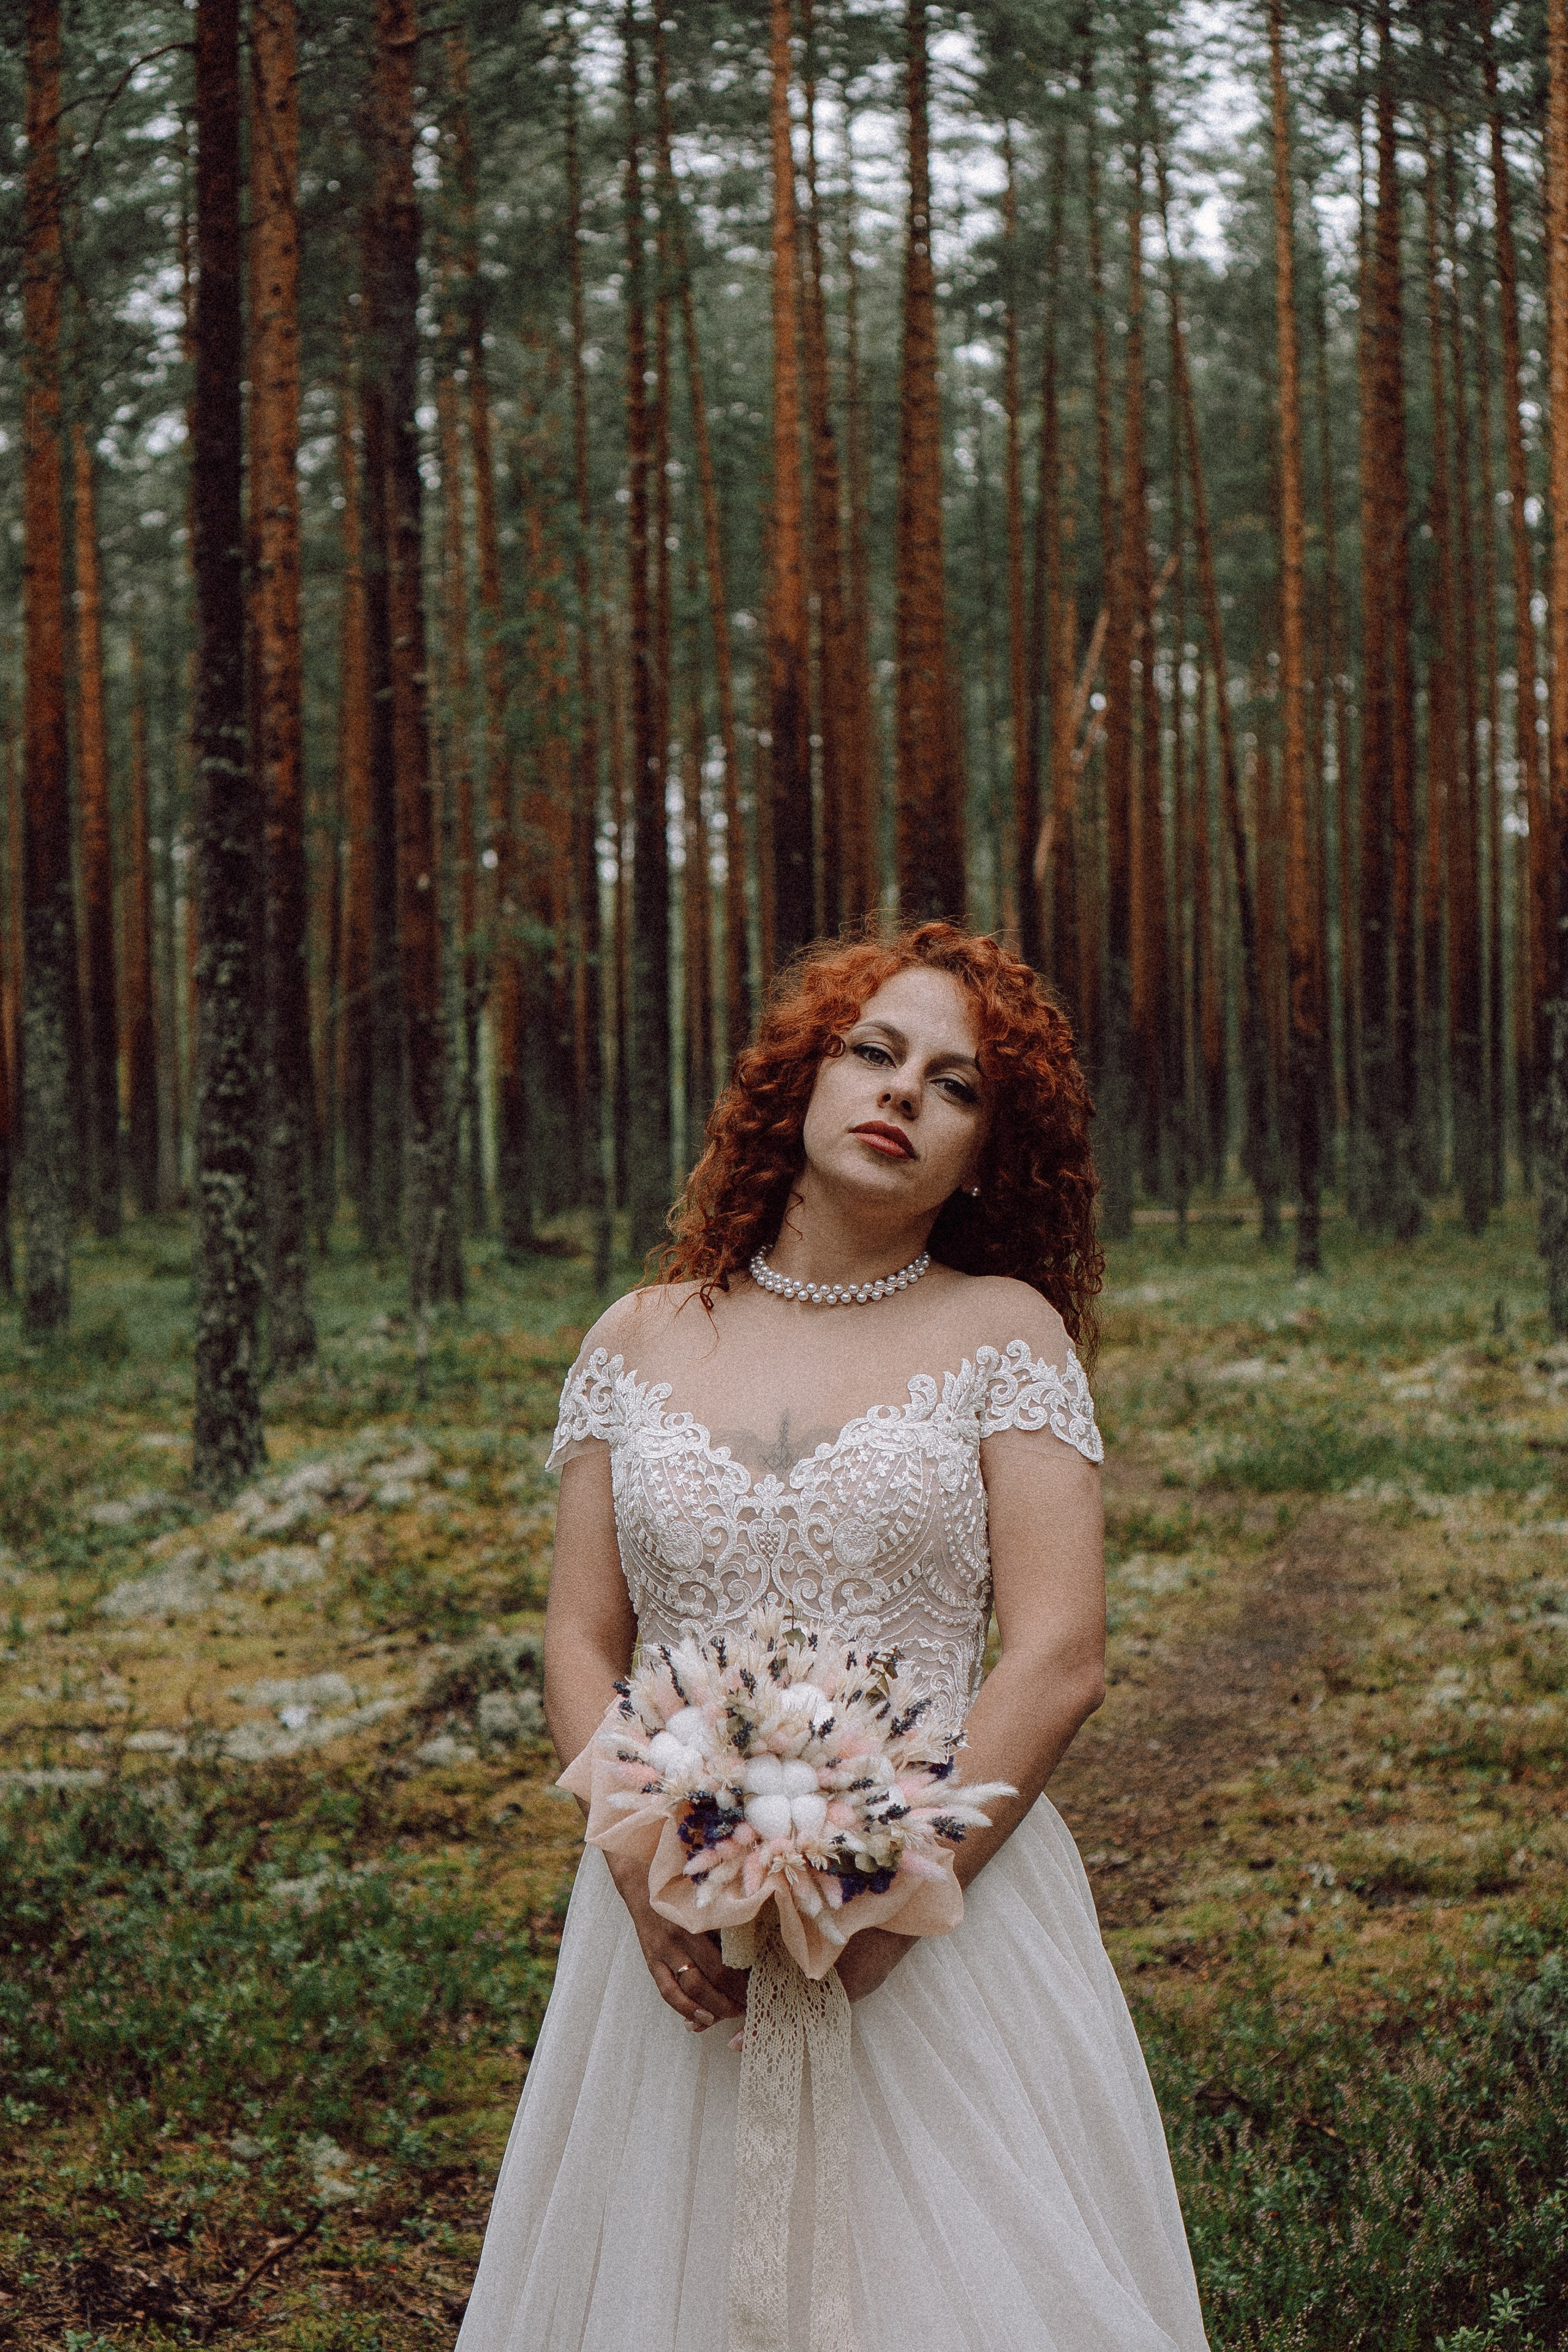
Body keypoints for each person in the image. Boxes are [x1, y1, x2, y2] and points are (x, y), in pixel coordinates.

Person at [456, 922, 1209, 2352]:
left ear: (985, 1154)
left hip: (946, 1909)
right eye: (873, 1052)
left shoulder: (1007, 1332)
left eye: (956, 1085)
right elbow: (577, 1632)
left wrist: (882, 1890)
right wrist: (636, 1862)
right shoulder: (638, 1336)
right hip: (674, 1910)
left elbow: (1058, 1655)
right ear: (799, 1081)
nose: (903, 1093)